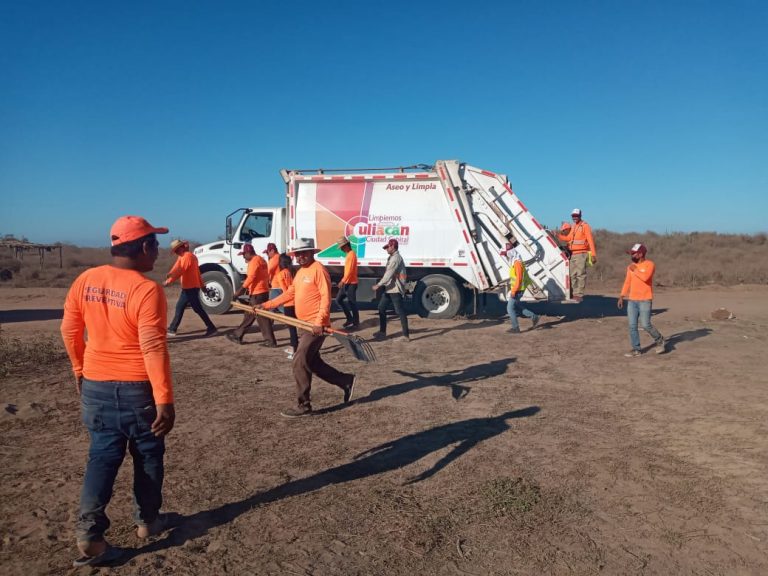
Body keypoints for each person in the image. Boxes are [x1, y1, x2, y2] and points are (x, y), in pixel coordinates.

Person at [60, 216, 175, 567]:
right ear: (142, 247)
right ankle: (147, 522)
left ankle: (90, 535)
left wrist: (80, 370)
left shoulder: (86, 279)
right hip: (137, 390)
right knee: (148, 456)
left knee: (103, 457)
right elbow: (152, 346)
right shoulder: (145, 288)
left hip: (95, 386)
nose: (158, 250)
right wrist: (164, 399)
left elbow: (69, 330)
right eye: (154, 244)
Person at [261, 238, 355, 417]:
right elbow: (290, 293)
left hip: (315, 326)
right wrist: (267, 305)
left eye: (303, 253)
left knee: (298, 360)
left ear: (312, 252)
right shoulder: (301, 272)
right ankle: (346, 381)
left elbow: (326, 297)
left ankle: (303, 405)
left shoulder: (319, 270)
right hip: (302, 325)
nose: (300, 257)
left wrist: (319, 322)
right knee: (313, 363)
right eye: (297, 254)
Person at [617, 243, 665, 357]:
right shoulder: (630, 267)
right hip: (632, 300)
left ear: (640, 254)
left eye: (634, 253)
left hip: (645, 300)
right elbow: (627, 282)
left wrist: (635, 270)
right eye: (631, 253)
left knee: (645, 324)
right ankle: (636, 349)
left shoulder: (650, 265)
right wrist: (622, 296)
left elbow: (645, 278)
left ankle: (660, 340)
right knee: (632, 326)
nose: (632, 256)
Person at [164, 239, 217, 337]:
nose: (175, 252)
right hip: (190, 287)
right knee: (195, 308)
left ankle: (172, 329)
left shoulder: (187, 257)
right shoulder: (185, 256)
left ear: (181, 248)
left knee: (181, 307)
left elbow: (181, 270)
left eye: (176, 250)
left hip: (190, 288)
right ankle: (211, 327)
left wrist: (169, 281)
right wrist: (170, 274)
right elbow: (177, 267)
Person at [227, 243, 276, 346]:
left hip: (257, 293)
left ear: (249, 253)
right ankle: (238, 334)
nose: (244, 257)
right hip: (263, 291)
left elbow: (251, 277)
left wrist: (239, 292)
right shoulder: (261, 260)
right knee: (250, 315)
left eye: (244, 254)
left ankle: (270, 341)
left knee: (261, 317)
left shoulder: (254, 262)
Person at [372, 238, 410, 341]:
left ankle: (406, 336)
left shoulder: (395, 258)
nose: (386, 249)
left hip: (395, 288)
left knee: (400, 311)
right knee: (381, 308)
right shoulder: (392, 257)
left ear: (393, 246)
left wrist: (379, 284)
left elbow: (389, 273)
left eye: (387, 247)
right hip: (390, 288)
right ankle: (382, 332)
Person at [557, 208, 596, 302]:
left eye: (576, 216)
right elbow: (569, 238)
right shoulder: (574, 226)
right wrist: (558, 235)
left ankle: (579, 294)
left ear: (580, 216)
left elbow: (590, 240)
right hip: (573, 254)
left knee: (580, 274)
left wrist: (594, 254)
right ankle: (574, 293)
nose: (574, 218)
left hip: (581, 254)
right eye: (573, 216)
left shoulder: (585, 226)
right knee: (571, 275)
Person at [503, 240, 540, 333]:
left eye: (507, 254)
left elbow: (519, 279)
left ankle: (516, 328)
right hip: (518, 289)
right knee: (517, 305)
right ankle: (534, 317)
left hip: (518, 289)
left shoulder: (517, 264)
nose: (507, 256)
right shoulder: (515, 262)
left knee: (509, 308)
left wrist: (513, 291)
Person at [274, 252, 299, 359]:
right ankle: (294, 347)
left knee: (292, 329)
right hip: (297, 302)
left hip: (288, 304)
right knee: (297, 328)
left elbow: (285, 292)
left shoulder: (280, 275)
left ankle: (294, 350)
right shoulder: (293, 271)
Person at [335, 235, 360, 328]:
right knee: (338, 300)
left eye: (341, 247)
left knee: (352, 303)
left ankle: (355, 322)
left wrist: (342, 281)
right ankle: (350, 319)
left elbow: (349, 271)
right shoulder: (350, 254)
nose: (341, 249)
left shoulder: (351, 255)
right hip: (348, 283)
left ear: (346, 245)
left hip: (351, 283)